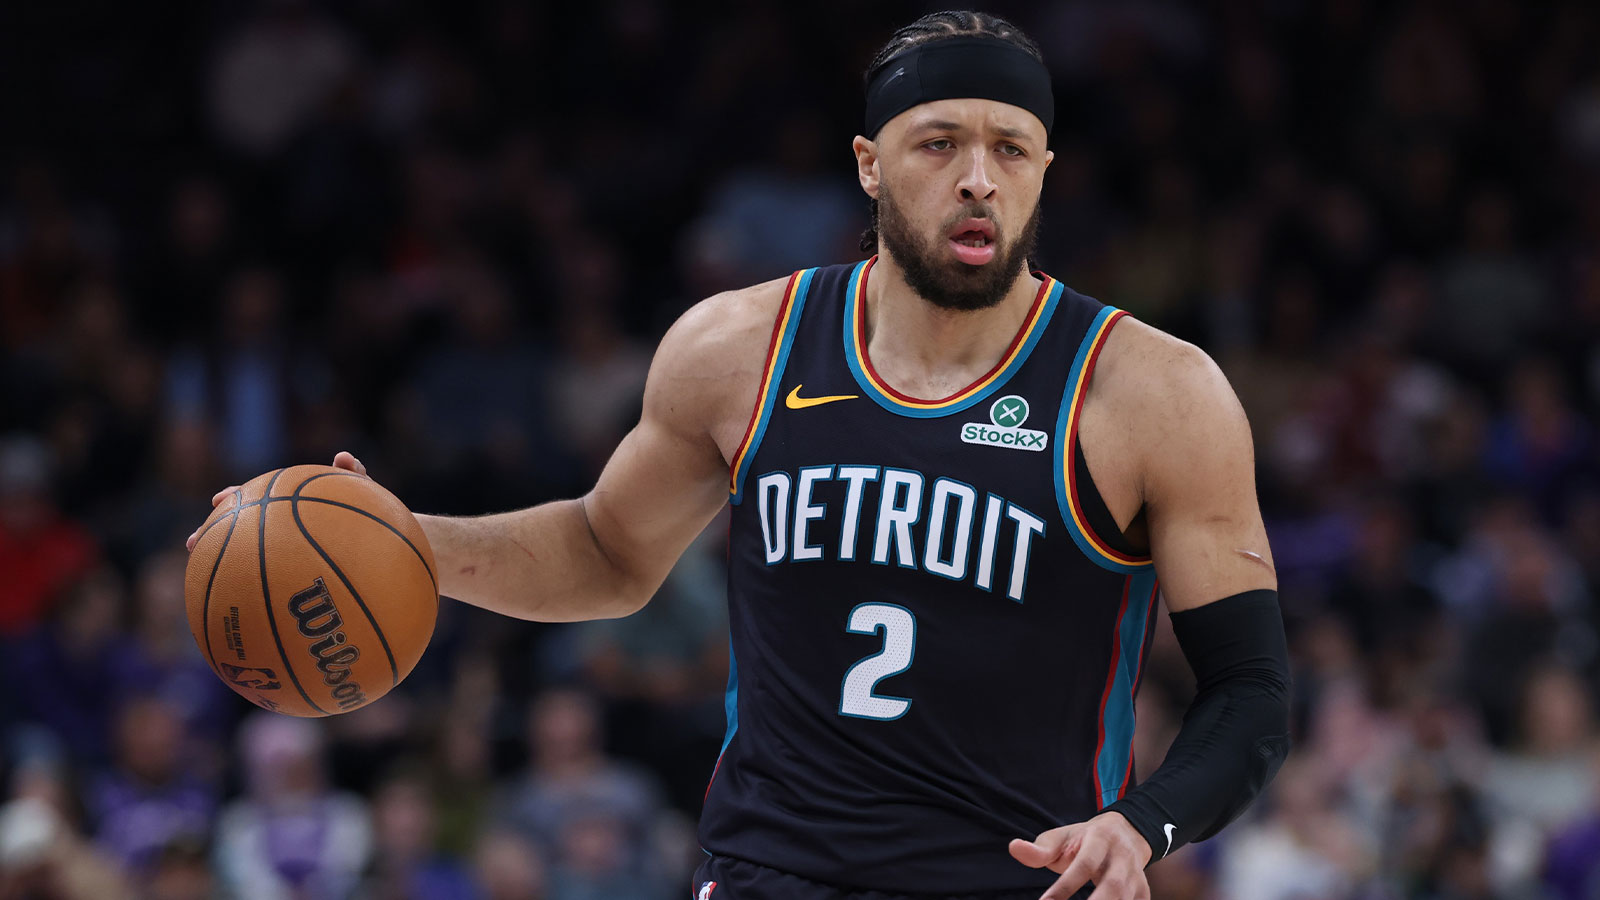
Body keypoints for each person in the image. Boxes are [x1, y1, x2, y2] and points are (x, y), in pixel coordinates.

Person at [190, 11, 1291, 899]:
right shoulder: (739, 349)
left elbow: (1248, 689)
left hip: (1016, 881)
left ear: (1045, 168)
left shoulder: (1151, 392)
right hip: (771, 872)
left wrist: (1142, 826)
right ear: (869, 164)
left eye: (1010, 148)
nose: (977, 178)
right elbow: (605, 552)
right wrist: (399, 542)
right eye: (938, 143)